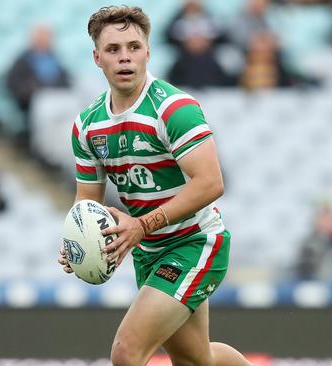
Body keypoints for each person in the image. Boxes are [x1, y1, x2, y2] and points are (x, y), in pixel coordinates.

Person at [57, 6, 253, 366]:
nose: (125, 57)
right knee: (198, 360)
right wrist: (76, 242)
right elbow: (86, 202)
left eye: (133, 46)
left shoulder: (174, 109)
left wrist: (142, 225)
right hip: (149, 251)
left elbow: (210, 182)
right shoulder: (86, 125)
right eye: (113, 49)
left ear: (149, 51)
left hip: (195, 242)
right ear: (96, 57)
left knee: (126, 352)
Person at [6, 24, 70, 141]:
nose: (43, 40)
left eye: (46, 37)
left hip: (57, 98)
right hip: (35, 102)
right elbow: (14, 83)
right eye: (40, 37)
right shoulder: (23, 59)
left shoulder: (54, 58)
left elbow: (65, 80)